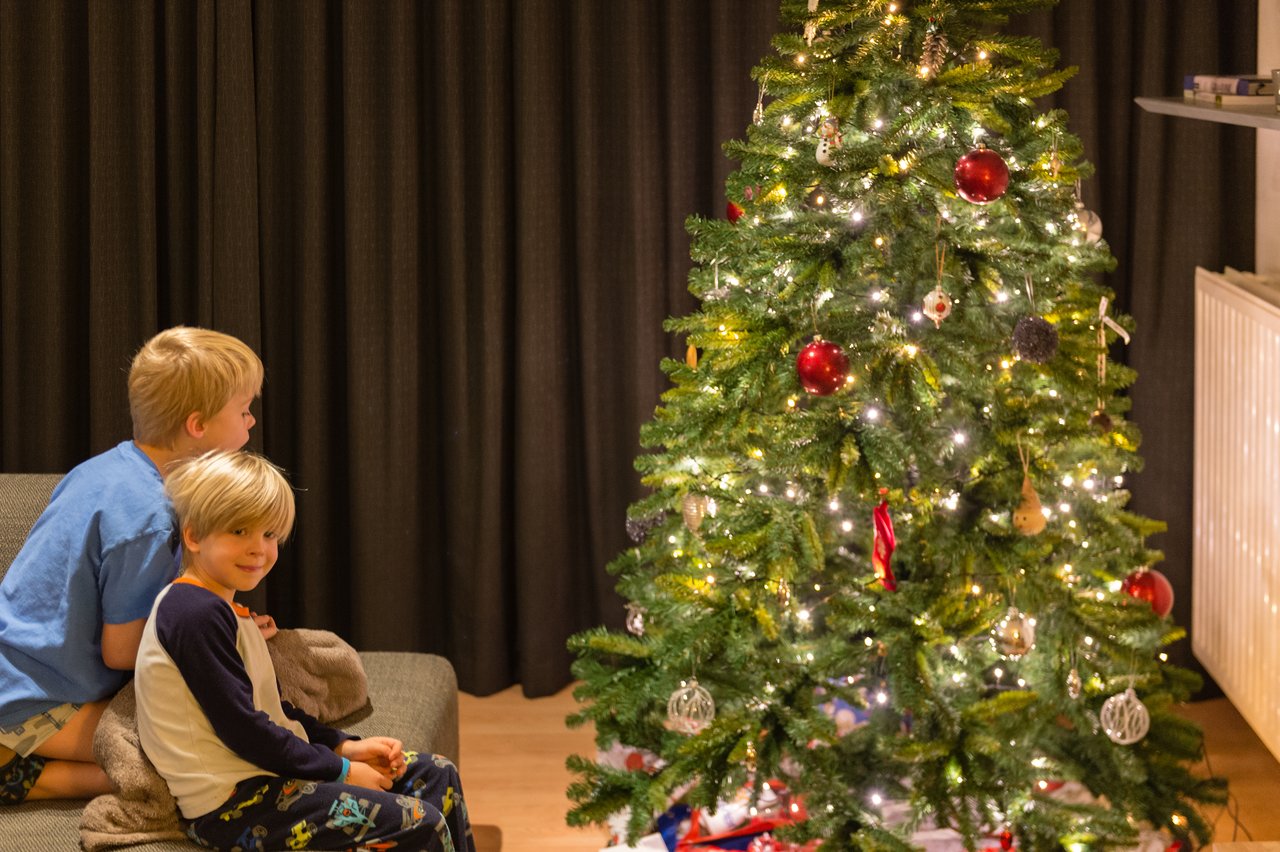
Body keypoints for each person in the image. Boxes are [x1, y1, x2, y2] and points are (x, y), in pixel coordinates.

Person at [136, 450, 472, 851]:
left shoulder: (226, 612)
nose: (258, 549)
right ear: (193, 536)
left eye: (269, 535)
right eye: (239, 531)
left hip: (266, 777)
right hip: (231, 804)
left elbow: (276, 712)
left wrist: (343, 745)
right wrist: (343, 770)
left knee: (437, 774)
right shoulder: (192, 613)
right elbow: (246, 731)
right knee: (420, 822)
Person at [0, 326, 268, 805]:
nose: (251, 424)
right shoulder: (147, 516)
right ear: (197, 425)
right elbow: (122, 652)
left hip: (19, 676)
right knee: (197, 755)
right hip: (33, 698)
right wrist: (223, 633)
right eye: (244, 411)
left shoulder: (106, 467)